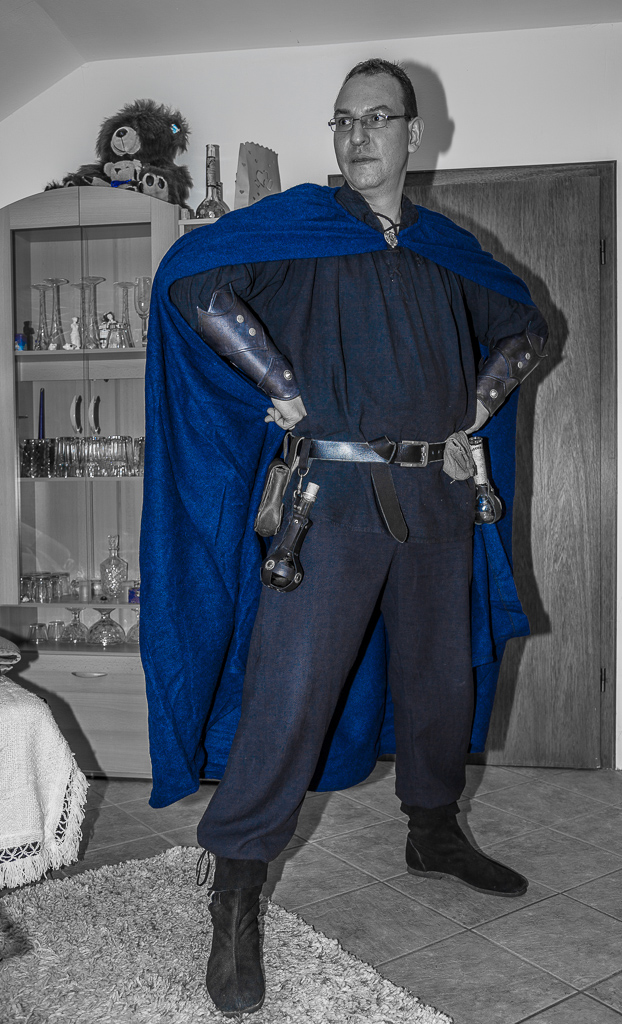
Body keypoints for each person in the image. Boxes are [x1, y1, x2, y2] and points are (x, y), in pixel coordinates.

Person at [149, 59, 547, 1016]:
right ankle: (237, 886)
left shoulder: (448, 247)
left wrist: (476, 409)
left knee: (440, 680)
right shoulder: (300, 227)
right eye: (343, 120)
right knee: (288, 693)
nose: (358, 134)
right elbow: (193, 284)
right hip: (326, 497)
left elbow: (525, 329)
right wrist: (277, 381)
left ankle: (433, 830)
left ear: (415, 135)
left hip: (436, 497)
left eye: (377, 118)